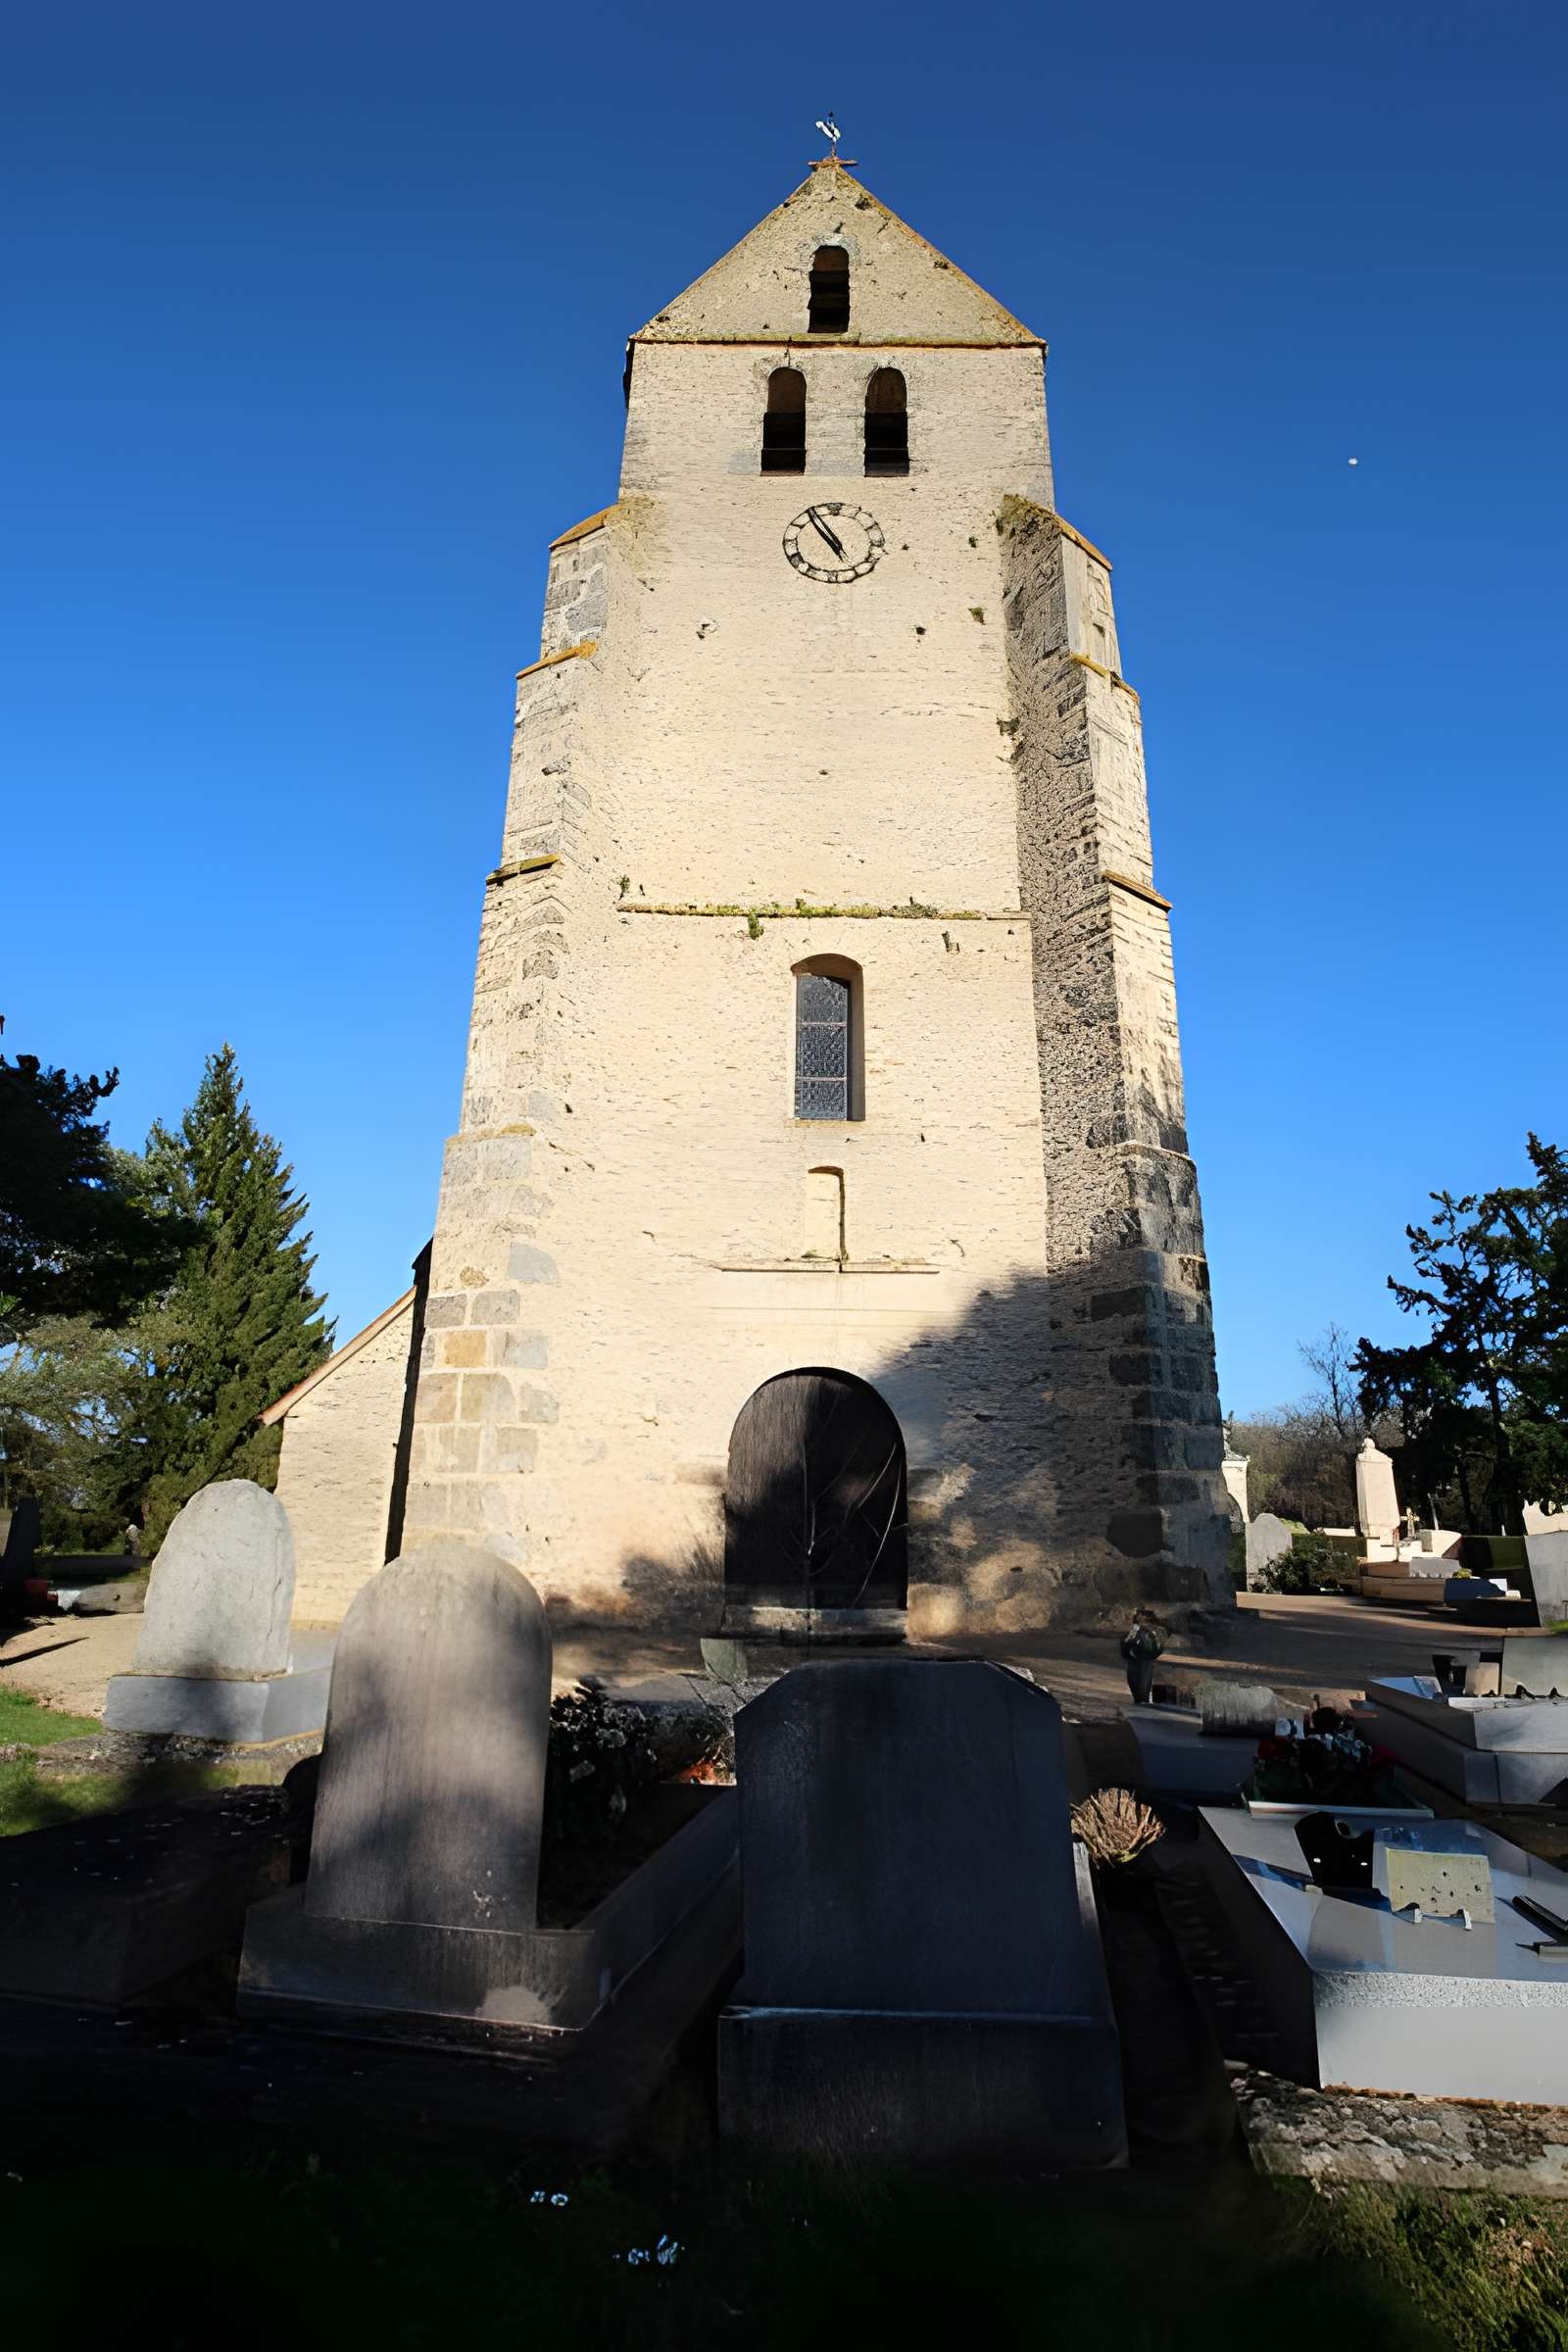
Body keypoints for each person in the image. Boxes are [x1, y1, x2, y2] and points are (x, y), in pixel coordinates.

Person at [1119, 1609, 1165, 1706]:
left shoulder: (1152, 1632)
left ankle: (1142, 1703)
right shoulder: (1135, 1630)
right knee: (1137, 1684)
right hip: (1137, 1660)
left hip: (1145, 1660)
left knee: (1142, 1686)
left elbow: (1158, 1647)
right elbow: (1127, 1643)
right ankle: (1141, 1703)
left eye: (1143, 1617)